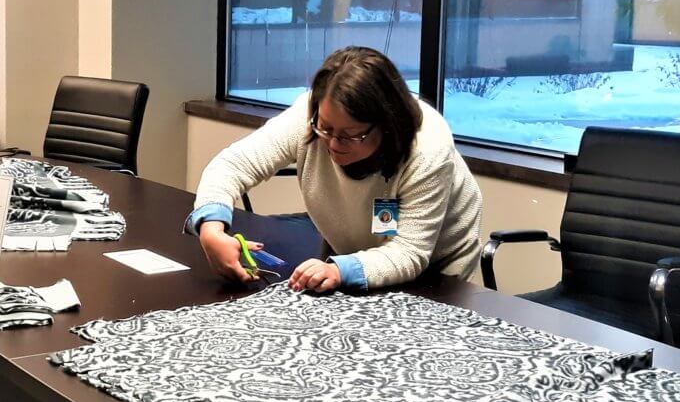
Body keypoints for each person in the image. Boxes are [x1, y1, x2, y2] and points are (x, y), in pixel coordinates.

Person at [187, 46, 483, 293]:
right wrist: (211, 230)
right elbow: (233, 165)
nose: (333, 143)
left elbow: (409, 252)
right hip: (353, 249)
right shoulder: (312, 117)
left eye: (350, 135)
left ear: (387, 125)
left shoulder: (427, 149)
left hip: (435, 271)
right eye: (325, 129)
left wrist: (342, 270)